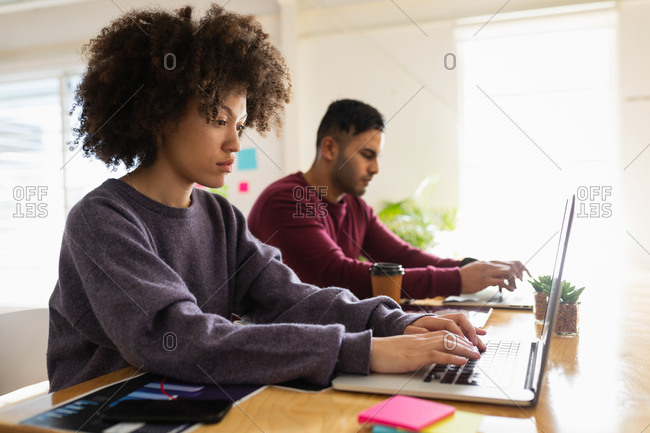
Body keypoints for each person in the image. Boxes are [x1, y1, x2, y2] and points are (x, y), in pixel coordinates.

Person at [47, 6, 486, 393]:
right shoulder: (101, 220)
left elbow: (291, 298)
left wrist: (396, 323)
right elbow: (179, 337)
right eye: (219, 119)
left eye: (240, 123)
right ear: (161, 114)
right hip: (104, 411)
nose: (235, 143)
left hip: (192, 396)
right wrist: (364, 350)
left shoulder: (219, 215)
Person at [248, 99, 529, 300]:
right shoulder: (288, 200)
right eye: (367, 155)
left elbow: (403, 257)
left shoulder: (355, 206)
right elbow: (334, 275)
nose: (375, 169)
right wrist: (457, 280)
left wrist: (472, 267)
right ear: (330, 148)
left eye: (376, 158)